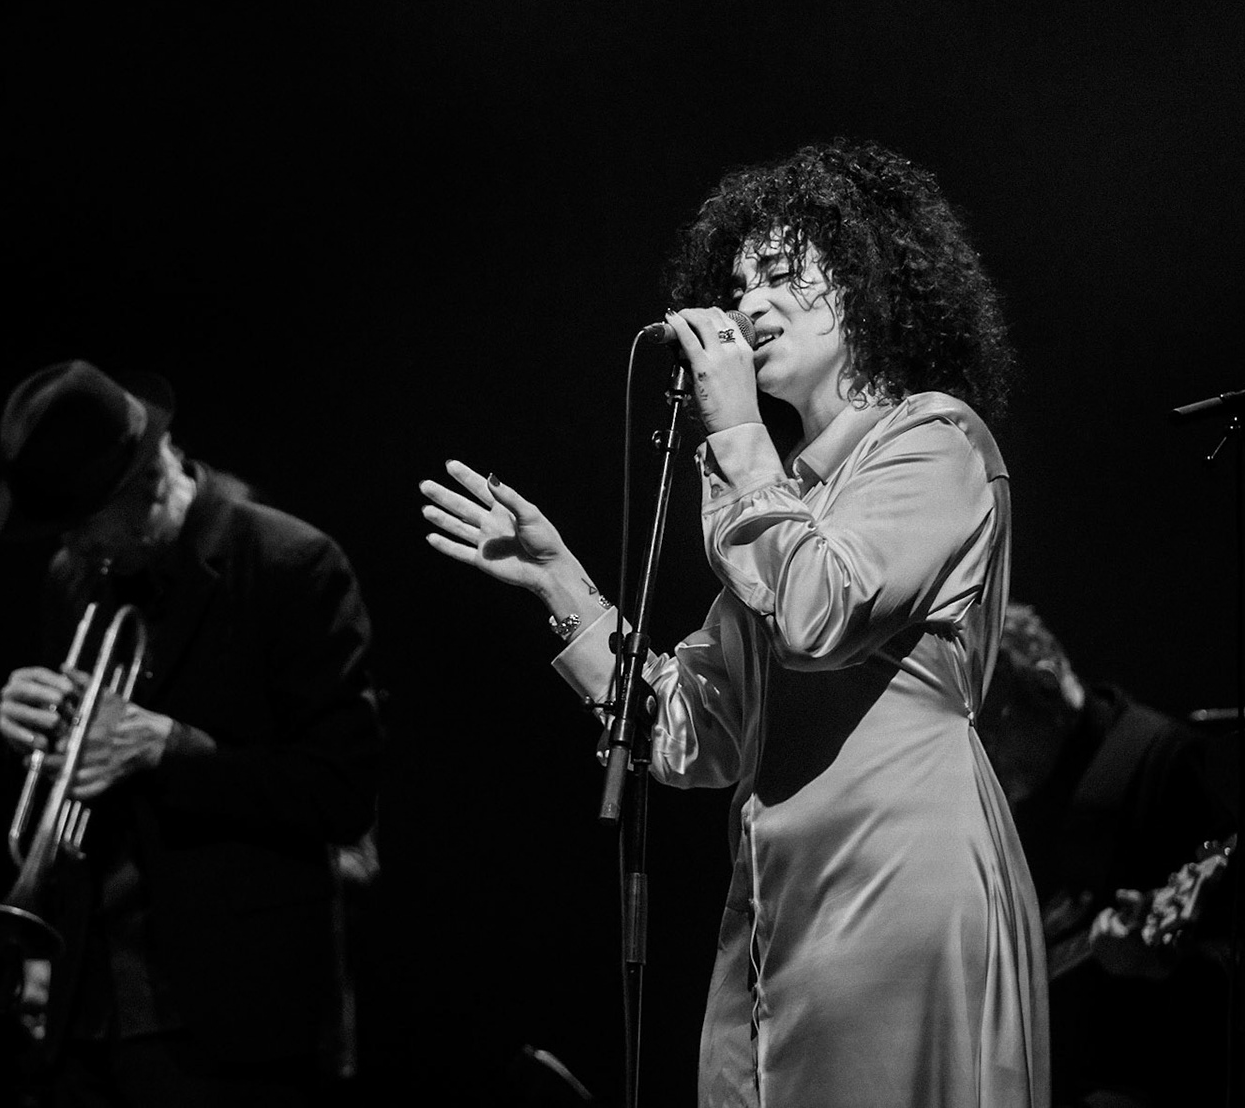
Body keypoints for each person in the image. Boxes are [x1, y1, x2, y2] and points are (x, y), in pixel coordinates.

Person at [420, 140, 1047, 1106]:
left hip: (898, 882)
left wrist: (740, 437)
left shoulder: (935, 439)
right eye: (742, 280)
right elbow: (694, 734)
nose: (750, 302)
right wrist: (561, 581)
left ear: (870, 283)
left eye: (785, 274)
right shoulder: (778, 496)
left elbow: (820, 613)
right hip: (777, 902)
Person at [0, 360, 382, 1106]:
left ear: (144, 484)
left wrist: (172, 749)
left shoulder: (290, 564)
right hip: (83, 1007)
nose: (71, 544)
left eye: (80, 521)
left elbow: (341, 795)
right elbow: (75, 771)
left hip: (229, 1019)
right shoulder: (76, 576)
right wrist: (31, 734)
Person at [980, 603, 1230, 1108]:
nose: (983, 752)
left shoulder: (1164, 759)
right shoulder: (1009, 801)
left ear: (1045, 686)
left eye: (993, 728)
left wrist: (1162, 966)